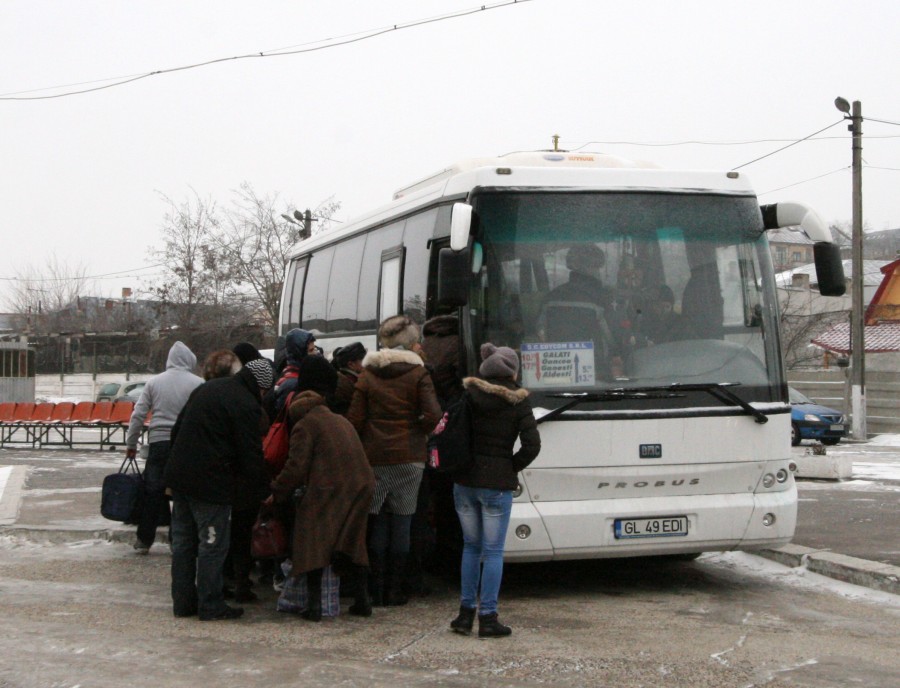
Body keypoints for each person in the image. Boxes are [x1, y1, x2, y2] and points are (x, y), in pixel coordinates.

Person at [163, 358, 273, 621]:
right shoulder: (246, 404)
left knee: (184, 544)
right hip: (210, 485)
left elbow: (176, 431)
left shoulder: (207, 388)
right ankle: (210, 604)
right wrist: (262, 489)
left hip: (180, 479)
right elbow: (250, 454)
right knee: (212, 544)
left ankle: (183, 602)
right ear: (261, 387)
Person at [269, 355, 376, 621]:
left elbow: (295, 468)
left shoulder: (305, 424)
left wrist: (276, 492)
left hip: (330, 488)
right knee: (352, 543)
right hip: (361, 485)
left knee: (312, 539)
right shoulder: (339, 419)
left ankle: (315, 607)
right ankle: (363, 601)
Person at [347, 315, 442, 606]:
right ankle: (395, 590)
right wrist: (418, 432)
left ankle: (374, 588)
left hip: (374, 456)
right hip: (410, 457)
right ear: (411, 343)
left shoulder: (367, 374)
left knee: (375, 521)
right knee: (403, 520)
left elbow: (355, 419)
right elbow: (435, 415)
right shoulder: (419, 373)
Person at [449, 343, 540, 638]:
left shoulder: (469, 395)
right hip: (496, 486)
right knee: (493, 551)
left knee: (470, 548)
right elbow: (532, 445)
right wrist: (510, 467)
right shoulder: (518, 402)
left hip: (464, 482)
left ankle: (464, 616)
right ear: (512, 371)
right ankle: (488, 618)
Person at [124, 341, 204, 555]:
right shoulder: (198, 383)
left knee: (153, 493)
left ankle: (143, 539)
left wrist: (131, 444)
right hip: (184, 445)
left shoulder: (154, 383)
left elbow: (138, 415)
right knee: (181, 493)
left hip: (158, 443)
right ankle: (177, 539)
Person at [537, 244, 623, 379]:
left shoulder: (550, 298)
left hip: (554, 374)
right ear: (590, 268)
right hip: (596, 376)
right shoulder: (601, 299)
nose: (598, 271)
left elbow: (540, 335)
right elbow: (614, 340)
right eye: (596, 266)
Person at [267, 328, 317, 419]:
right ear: (300, 352)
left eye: (314, 349)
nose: (315, 353)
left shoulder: (295, 374)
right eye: (311, 350)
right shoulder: (292, 383)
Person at [330, 342, 367, 416]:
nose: (366, 364)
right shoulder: (348, 385)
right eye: (363, 360)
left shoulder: (343, 380)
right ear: (351, 364)